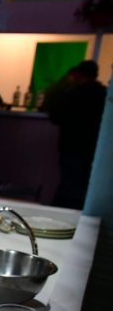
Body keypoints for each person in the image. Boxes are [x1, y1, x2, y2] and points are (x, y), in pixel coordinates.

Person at [49, 60, 107, 209]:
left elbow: (55, 115)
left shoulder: (73, 93)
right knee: (83, 185)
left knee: (69, 184)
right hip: (93, 147)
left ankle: (63, 216)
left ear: (79, 74)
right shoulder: (103, 94)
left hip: (71, 145)